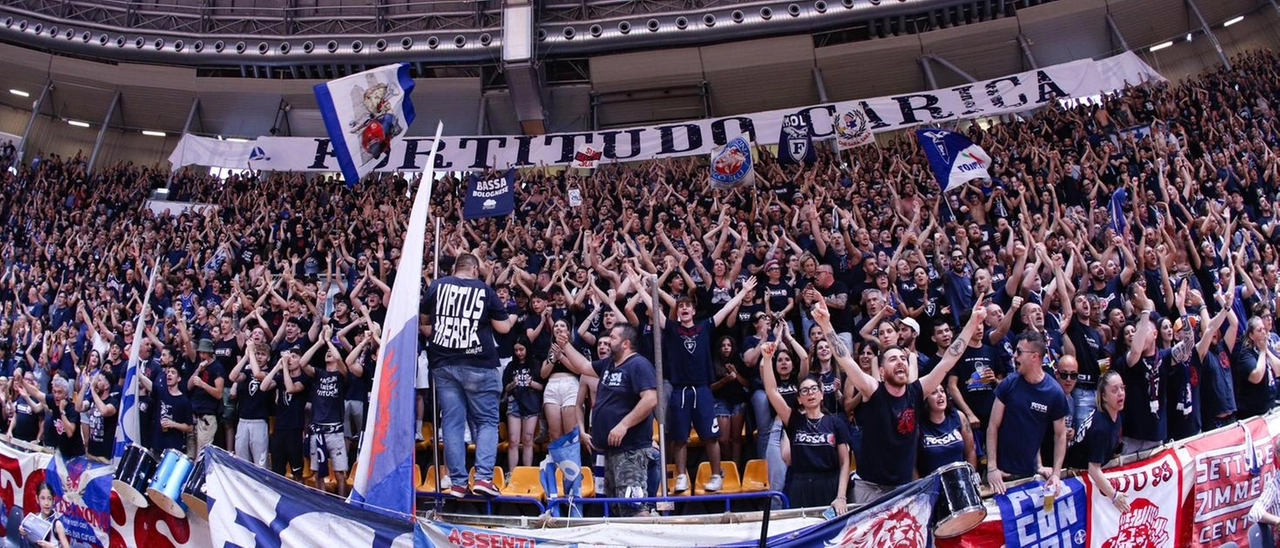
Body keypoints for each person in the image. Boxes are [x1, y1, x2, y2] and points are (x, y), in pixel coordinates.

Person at [822, 296, 985, 504]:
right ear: (881, 371)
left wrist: (972, 323)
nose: (900, 362)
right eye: (892, 359)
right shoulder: (873, 389)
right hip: (870, 488)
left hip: (904, 487)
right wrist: (826, 324)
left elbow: (948, 360)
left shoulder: (916, 391)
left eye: (902, 359)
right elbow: (844, 358)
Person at [648, 276, 756, 493]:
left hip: (702, 389)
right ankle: (681, 476)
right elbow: (654, 309)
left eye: (688, 306)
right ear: (678, 312)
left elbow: (725, 309)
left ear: (693, 311)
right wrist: (645, 288)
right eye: (681, 306)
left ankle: (716, 474)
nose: (684, 308)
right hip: (680, 390)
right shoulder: (671, 329)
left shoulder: (704, 328)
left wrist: (742, 293)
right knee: (679, 438)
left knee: (710, 436)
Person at [422, 253, 516, 498]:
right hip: (479, 364)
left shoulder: (437, 286)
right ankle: (484, 478)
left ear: (455, 268)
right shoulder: (485, 291)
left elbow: (424, 321)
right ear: (475, 270)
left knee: (452, 424)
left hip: (443, 363)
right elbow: (503, 328)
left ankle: (457, 482)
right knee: (486, 422)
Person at [559, 323, 657, 516]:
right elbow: (583, 366)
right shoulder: (608, 364)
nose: (607, 342)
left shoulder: (639, 364)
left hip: (631, 451)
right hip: (610, 451)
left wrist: (623, 425)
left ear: (626, 343)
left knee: (634, 506)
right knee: (617, 507)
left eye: (612, 338)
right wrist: (565, 344)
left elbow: (651, 399)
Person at [758, 333, 850, 513]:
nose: (810, 393)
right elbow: (771, 391)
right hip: (800, 486)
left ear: (822, 394)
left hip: (829, 485)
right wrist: (768, 359)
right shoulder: (794, 420)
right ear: (799, 399)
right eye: (805, 390)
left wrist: (841, 497)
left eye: (814, 389)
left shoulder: (835, 423)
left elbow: (845, 462)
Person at [986, 332, 1069, 495]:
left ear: (1034, 357)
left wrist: (1055, 473)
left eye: (1019, 352)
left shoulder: (1054, 392)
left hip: (1030, 475)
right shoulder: (1009, 384)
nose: (1014, 355)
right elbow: (992, 427)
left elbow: (1060, 435)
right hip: (1001, 475)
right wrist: (992, 468)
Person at [1068, 370, 1129, 513]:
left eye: (1122, 388)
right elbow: (1093, 469)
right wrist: (1114, 496)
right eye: (1115, 390)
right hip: (1074, 478)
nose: (1120, 393)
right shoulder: (1101, 427)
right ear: (1104, 396)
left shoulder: (1116, 416)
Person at [917, 383, 976, 477]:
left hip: (960, 481)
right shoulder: (918, 426)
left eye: (942, 391)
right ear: (925, 399)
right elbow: (911, 463)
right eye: (934, 392)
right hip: (931, 486)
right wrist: (919, 488)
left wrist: (971, 477)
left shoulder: (959, 417)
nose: (940, 395)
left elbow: (970, 451)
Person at [502, 338, 543, 469]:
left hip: (531, 403)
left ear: (527, 349)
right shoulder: (510, 366)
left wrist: (531, 383)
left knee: (527, 440)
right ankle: (512, 474)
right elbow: (505, 388)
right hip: (514, 403)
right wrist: (513, 384)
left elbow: (542, 387)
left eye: (521, 349)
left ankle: (527, 472)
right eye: (516, 350)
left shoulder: (535, 364)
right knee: (513, 440)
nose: (519, 353)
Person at [23, 376, 84, 458]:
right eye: (54, 392)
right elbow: (36, 393)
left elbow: (69, 432)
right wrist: (22, 382)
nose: (56, 395)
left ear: (66, 395)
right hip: (63, 452)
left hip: (76, 455)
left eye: (59, 392)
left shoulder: (72, 409)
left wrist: (62, 411)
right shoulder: (53, 400)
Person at [186, 339, 225, 458]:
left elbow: (219, 394)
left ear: (210, 353)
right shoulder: (199, 366)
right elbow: (188, 386)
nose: (202, 356)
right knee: (190, 455)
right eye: (200, 353)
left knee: (201, 454)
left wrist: (203, 384)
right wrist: (198, 371)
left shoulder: (217, 368)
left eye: (204, 353)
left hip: (207, 417)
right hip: (194, 415)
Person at [79, 369, 118, 462]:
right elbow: (78, 407)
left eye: (99, 380)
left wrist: (92, 388)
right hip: (91, 452)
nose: (96, 383)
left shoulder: (113, 401)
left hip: (105, 456)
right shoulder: (92, 399)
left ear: (107, 386)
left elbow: (104, 411)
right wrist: (85, 386)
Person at [22, 482, 69, 548]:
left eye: (49, 499)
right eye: (43, 498)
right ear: (37, 499)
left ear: (53, 500)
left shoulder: (57, 524)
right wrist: (23, 530)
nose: (46, 503)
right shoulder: (35, 518)